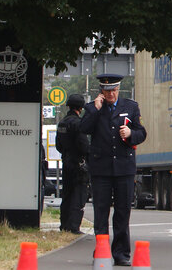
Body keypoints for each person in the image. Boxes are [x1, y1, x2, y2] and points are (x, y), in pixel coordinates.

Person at [80, 73, 147, 266]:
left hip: (124, 168)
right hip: (101, 169)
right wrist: (95, 109)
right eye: (107, 91)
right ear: (101, 91)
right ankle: (101, 250)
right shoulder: (93, 108)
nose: (111, 94)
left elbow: (141, 133)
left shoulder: (130, 107)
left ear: (119, 90)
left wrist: (131, 134)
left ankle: (121, 253)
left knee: (122, 212)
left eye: (114, 90)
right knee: (101, 212)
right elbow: (84, 128)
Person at [56, 93, 90, 233]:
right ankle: (74, 226)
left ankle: (64, 225)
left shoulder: (62, 123)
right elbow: (84, 146)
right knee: (79, 194)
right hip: (78, 164)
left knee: (67, 194)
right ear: (80, 108)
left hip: (66, 161)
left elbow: (58, 145)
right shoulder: (78, 123)